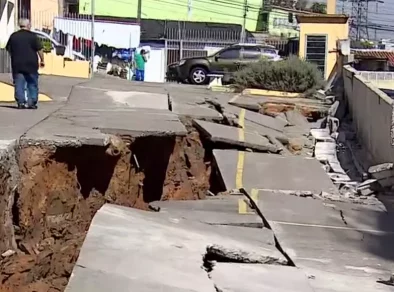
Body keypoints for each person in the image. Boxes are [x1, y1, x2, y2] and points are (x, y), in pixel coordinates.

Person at [6, 19, 45, 109]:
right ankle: (32, 102)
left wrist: (14, 56)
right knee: (32, 83)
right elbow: (39, 49)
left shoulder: (13, 36)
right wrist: (42, 60)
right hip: (31, 64)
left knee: (19, 83)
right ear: (28, 25)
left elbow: (9, 49)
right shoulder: (33, 36)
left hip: (17, 64)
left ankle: (21, 102)